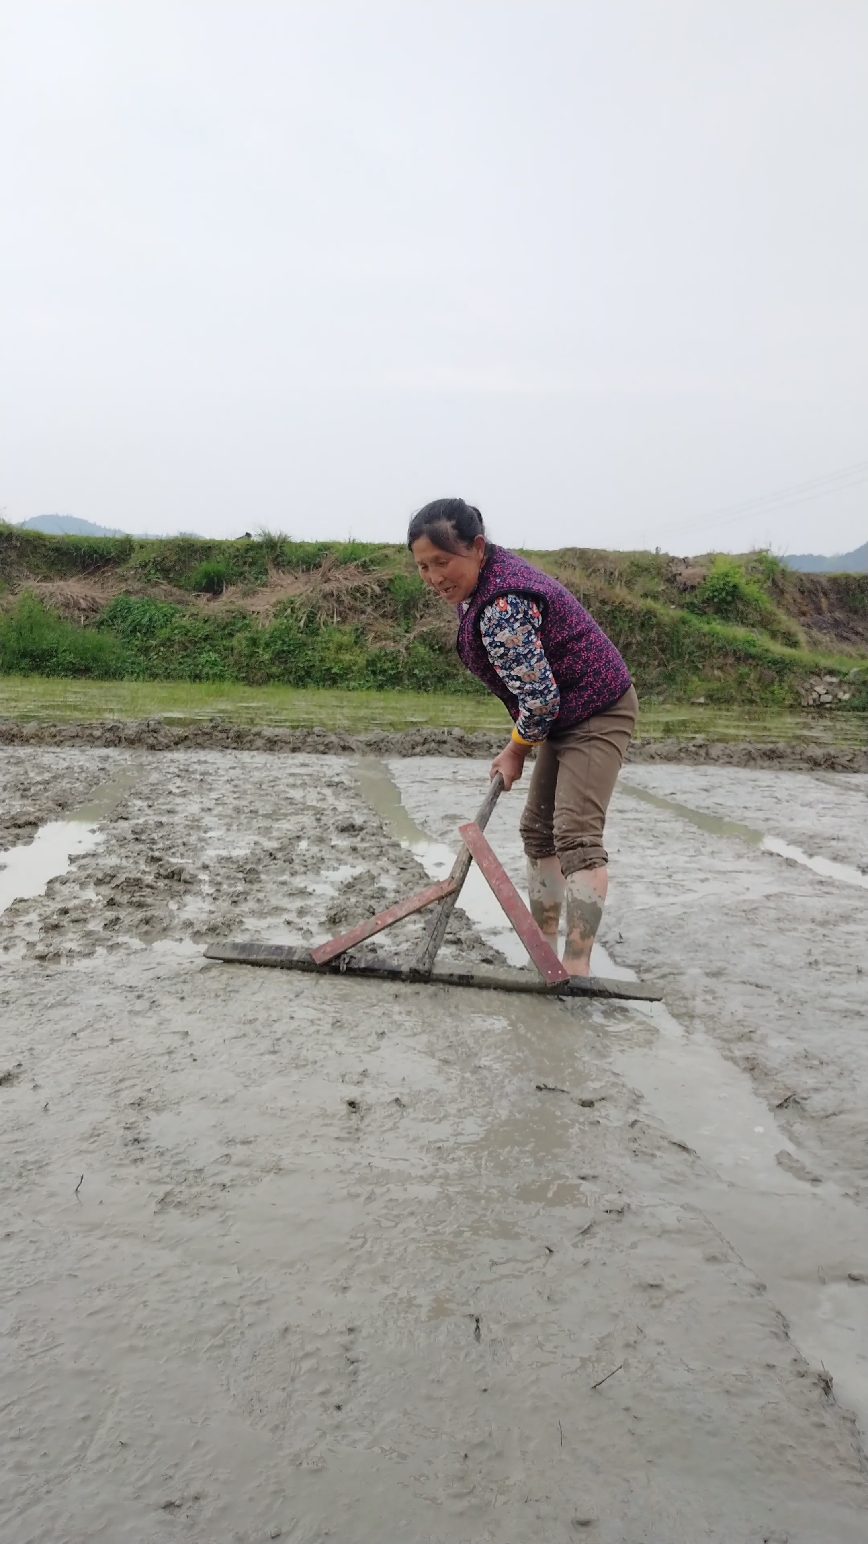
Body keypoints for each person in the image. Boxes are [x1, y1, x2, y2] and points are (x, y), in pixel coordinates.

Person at [408, 497, 638, 977]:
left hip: (597, 707)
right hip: (563, 711)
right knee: (538, 831)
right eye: (423, 566)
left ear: (477, 547)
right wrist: (522, 740)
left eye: (443, 562)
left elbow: (540, 698)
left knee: (576, 835)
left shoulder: (501, 607)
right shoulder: (480, 584)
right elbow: (540, 696)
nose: (434, 577)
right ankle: (544, 953)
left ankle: (575, 968)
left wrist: (515, 751)